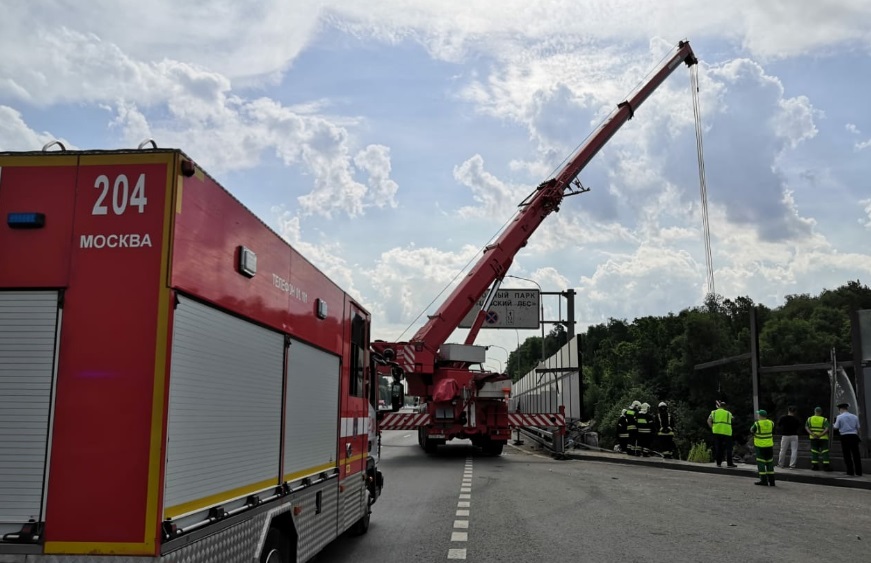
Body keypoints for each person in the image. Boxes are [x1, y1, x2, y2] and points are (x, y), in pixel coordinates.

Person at [833, 403, 863, 477]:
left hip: (845, 436)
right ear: (846, 408)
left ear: (841, 409)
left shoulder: (839, 417)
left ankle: (850, 471)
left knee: (847, 455)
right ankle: (859, 472)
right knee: (856, 454)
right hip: (854, 436)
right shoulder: (855, 416)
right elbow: (858, 428)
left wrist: (832, 425)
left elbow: (836, 427)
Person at [708, 400, 736, 468]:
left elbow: (708, 420)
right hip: (727, 432)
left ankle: (718, 463)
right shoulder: (728, 413)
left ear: (719, 406)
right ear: (725, 407)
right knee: (729, 449)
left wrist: (712, 427)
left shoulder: (713, 412)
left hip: (716, 432)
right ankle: (729, 464)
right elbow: (733, 419)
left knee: (718, 448)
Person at [751, 410, 776, 486]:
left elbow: (752, 430)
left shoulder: (757, 423)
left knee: (761, 463)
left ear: (760, 416)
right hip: (769, 446)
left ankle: (764, 481)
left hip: (760, 446)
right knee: (769, 462)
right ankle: (772, 481)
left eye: (758, 415)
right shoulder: (771, 423)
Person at [805, 407, 832, 471]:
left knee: (814, 451)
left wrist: (812, 434)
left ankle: (814, 466)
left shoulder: (809, 419)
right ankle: (826, 467)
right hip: (823, 438)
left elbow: (806, 427)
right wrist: (821, 434)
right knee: (825, 451)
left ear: (814, 411)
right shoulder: (824, 419)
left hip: (813, 438)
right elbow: (827, 428)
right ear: (821, 412)